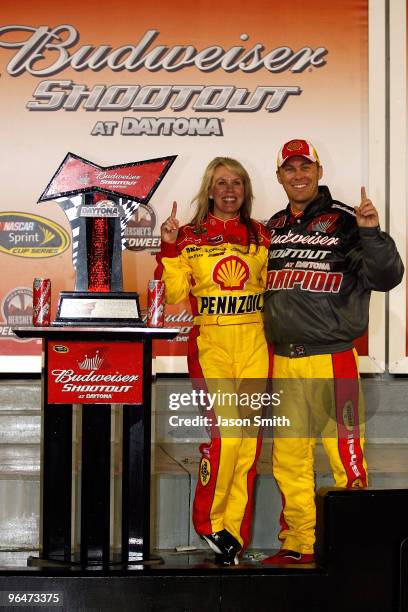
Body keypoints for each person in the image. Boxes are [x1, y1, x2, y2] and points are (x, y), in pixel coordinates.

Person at [262, 138, 404, 565]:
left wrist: (371, 232)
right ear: (280, 177)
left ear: (319, 172)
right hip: (284, 359)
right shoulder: (273, 226)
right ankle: (299, 544)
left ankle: (355, 549)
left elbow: (387, 276)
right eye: (290, 168)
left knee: (345, 452)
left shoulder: (347, 220)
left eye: (306, 167)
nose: (299, 175)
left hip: (333, 356)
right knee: (289, 457)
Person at [155, 157, 272, 565]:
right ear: (209, 190)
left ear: (245, 190)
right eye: (221, 182)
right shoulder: (189, 236)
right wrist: (168, 245)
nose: (229, 189)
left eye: (237, 182)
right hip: (212, 345)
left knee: (249, 446)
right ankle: (208, 521)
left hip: (256, 342)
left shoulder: (261, 234)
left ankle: (234, 535)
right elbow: (171, 296)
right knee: (228, 437)